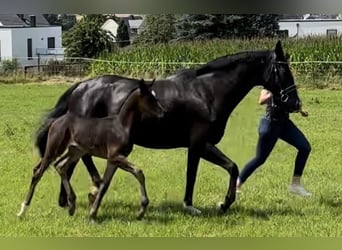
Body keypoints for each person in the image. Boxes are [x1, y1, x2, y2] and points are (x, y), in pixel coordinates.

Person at [236, 86, 312, 197]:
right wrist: (275, 92)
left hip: (284, 123)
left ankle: (295, 185)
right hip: (270, 123)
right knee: (260, 159)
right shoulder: (271, 82)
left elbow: (290, 102)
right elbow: (261, 100)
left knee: (305, 147)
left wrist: (299, 109)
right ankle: (236, 186)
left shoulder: (288, 83)